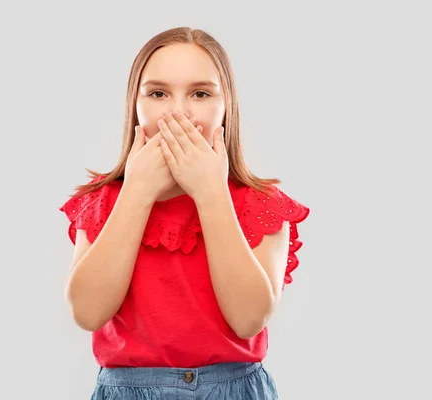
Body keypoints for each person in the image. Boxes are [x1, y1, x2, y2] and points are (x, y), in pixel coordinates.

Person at [59, 27, 310, 400]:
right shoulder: (104, 202)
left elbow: (248, 319)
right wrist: (138, 192)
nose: (178, 111)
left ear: (227, 106)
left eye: (200, 93)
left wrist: (210, 192)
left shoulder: (261, 204)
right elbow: (88, 312)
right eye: (158, 93)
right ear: (135, 105)